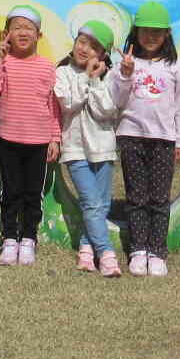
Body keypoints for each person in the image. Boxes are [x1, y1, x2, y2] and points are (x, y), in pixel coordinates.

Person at [110, 1, 180, 277]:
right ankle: (137, 250)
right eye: (145, 31)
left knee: (158, 198)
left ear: (167, 34)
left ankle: (157, 252)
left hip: (163, 140)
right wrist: (125, 73)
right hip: (131, 136)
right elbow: (116, 100)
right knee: (136, 197)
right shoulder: (126, 63)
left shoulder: (176, 65)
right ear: (136, 32)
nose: (151, 37)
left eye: (157, 32)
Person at [0, 4, 61, 266]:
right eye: (17, 28)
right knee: (11, 192)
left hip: (38, 142)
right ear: (6, 34)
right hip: (8, 139)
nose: (23, 32)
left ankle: (29, 239)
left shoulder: (48, 68)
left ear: (39, 36)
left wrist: (55, 138)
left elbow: (53, 106)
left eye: (29, 28)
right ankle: (9, 239)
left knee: (32, 193)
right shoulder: (4, 64)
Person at [54, 20, 121, 276]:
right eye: (82, 41)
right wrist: (86, 79)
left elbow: (107, 111)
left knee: (100, 203)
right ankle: (106, 253)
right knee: (91, 201)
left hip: (103, 147)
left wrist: (95, 81)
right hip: (74, 149)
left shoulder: (108, 76)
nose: (85, 49)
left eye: (93, 47)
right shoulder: (62, 73)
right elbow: (68, 104)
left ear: (103, 55)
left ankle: (85, 250)